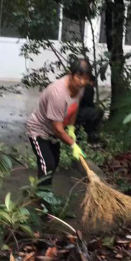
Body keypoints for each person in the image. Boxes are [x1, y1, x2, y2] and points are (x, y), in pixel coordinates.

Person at [26, 58, 92, 186]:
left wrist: (71, 128)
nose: (82, 82)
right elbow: (57, 129)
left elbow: (74, 107)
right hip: (39, 130)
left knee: (54, 162)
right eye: (79, 77)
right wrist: (73, 145)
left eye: (86, 78)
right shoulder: (58, 94)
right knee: (48, 165)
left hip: (53, 131)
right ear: (70, 74)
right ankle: (42, 196)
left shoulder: (80, 88)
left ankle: (41, 190)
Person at [76, 75, 104, 141]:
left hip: (72, 111)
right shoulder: (88, 88)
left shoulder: (79, 86)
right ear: (92, 81)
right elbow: (89, 103)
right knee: (98, 112)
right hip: (78, 112)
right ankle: (90, 134)